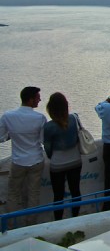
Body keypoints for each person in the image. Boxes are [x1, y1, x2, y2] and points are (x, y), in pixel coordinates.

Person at [0, 86, 46, 225]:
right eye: (38, 97)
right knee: (33, 194)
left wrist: (12, 134)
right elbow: (43, 140)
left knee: (13, 194)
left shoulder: (8, 116)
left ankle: (9, 226)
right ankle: (30, 224)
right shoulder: (40, 118)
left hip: (18, 161)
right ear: (31, 100)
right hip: (36, 160)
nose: (40, 100)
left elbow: (1, 137)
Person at [43, 92, 82, 220]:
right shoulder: (74, 118)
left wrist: (53, 156)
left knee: (58, 195)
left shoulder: (49, 126)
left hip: (57, 164)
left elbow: (48, 149)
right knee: (75, 191)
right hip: (75, 161)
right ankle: (75, 217)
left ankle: (58, 221)